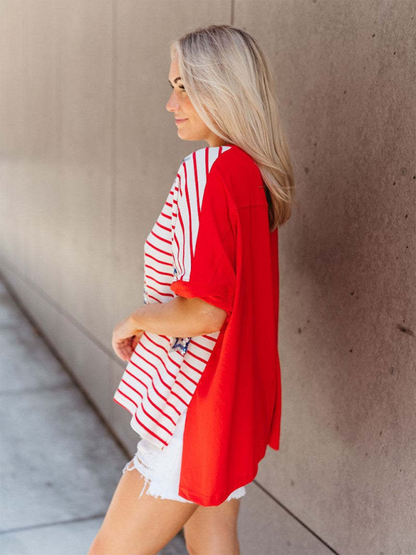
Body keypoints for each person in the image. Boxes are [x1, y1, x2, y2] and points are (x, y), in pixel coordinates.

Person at [87, 24, 295, 555]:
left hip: (196, 404)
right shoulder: (251, 174)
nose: (169, 103)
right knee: (212, 537)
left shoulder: (213, 171)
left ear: (222, 90)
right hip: (232, 400)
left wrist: (135, 320)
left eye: (184, 87)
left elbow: (205, 311)